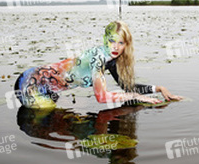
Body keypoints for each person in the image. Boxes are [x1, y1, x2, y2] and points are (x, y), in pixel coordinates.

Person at [14, 21, 182, 109]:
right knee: (47, 116)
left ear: (127, 44)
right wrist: (135, 97)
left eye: (121, 43)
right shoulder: (98, 58)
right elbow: (101, 98)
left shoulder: (111, 60)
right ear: (105, 40)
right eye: (112, 41)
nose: (116, 47)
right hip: (30, 83)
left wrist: (158, 89)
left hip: (50, 89)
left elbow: (125, 86)